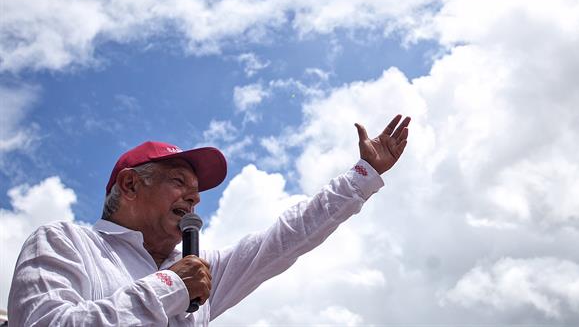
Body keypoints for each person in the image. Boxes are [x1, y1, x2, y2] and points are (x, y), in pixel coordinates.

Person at [8, 114, 410, 326]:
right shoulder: (64, 243)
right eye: (178, 181)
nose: (196, 196)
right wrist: (170, 287)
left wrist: (362, 176)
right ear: (129, 185)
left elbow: (287, 238)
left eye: (197, 188)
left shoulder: (200, 275)